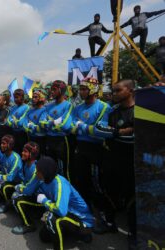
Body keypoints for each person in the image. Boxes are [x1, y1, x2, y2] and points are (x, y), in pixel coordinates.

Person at [94, 79, 135, 237]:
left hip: (131, 159)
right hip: (112, 158)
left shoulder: (140, 110)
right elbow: (98, 128)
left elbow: (137, 136)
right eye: (113, 90)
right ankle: (109, 223)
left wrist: (115, 133)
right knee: (109, 192)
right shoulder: (112, 110)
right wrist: (122, 131)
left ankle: (134, 234)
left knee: (132, 197)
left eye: (118, 90)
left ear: (130, 90)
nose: (114, 93)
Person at [71, 77, 112, 232]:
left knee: (98, 185)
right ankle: (84, 212)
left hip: (96, 150)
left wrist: (83, 127)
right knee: (81, 181)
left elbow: (101, 132)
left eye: (84, 89)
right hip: (81, 148)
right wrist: (88, 128)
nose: (81, 92)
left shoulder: (103, 107)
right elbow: (72, 128)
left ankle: (106, 219)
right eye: (80, 89)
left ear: (93, 89)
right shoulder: (78, 108)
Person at [36, 156, 94, 250]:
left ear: (45, 172)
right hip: (68, 214)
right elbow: (37, 192)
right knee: (44, 237)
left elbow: (61, 210)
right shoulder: (44, 180)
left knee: (52, 219)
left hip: (82, 221)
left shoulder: (59, 183)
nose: (36, 172)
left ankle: (83, 234)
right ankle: (69, 233)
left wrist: (44, 201)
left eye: (38, 170)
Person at [37, 80, 73, 179]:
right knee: (50, 167)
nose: (51, 92)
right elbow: (41, 123)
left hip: (61, 141)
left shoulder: (68, 105)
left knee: (62, 170)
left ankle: (64, 190)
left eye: (54, 89)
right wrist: (55, 122)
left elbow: (65, 125)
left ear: (61, 90)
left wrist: (48, 124)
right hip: (49, 139)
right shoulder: (48, 106)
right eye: (51, 89)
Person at [11, 142, 43, 234]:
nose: (22, 153)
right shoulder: (27, 164)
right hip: (33, 194)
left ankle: (29, 225)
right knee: (14, 194)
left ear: (32, 154)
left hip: (41, 200)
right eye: (23, 151)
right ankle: (31, 213)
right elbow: (26, 183)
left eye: (25, 151)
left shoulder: (36, 169)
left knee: (18, 200)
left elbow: (28, 191)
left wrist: (19, 189)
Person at [0, 135, 22, 210]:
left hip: (15, 183)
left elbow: (10, 177)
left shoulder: (16, 158)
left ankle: (7, 204)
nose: (1, 145)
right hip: (5, 179)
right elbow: (2, 171)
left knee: (3, 185)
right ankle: (1, 197)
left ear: (10, 145)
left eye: (4, 143)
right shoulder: (4, 155)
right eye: (1, 143)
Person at [21, 89, 46, 154]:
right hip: (31, 138)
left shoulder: (45, 110)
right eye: (33, 97)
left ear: (41, 98)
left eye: (36, 97)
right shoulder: (30, 111)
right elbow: (24, 123)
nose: (33, 99)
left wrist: (30, 125)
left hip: (41, 139)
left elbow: (41, 127)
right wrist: (31, 127)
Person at [7, 89, 30, 153]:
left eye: (17, 97)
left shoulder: (27, 107)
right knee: (15, 151)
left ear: (22, 97)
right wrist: (14, 121)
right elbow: (8, 121)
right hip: (14, 133)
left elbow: (21, 123)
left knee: (23, 151)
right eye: (14, 98)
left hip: (22, 134)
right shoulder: (13, 108)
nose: (15, 99)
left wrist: (12, 121)